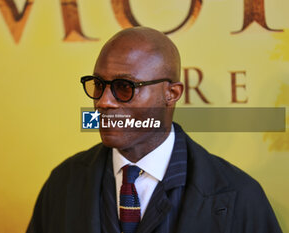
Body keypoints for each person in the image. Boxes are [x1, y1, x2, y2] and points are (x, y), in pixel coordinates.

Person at [26, 27, 282, 233]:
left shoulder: (240, 197)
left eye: (124, 87)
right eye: (98, 85)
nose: (103, 101)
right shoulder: (62, 184)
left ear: (171, 94)